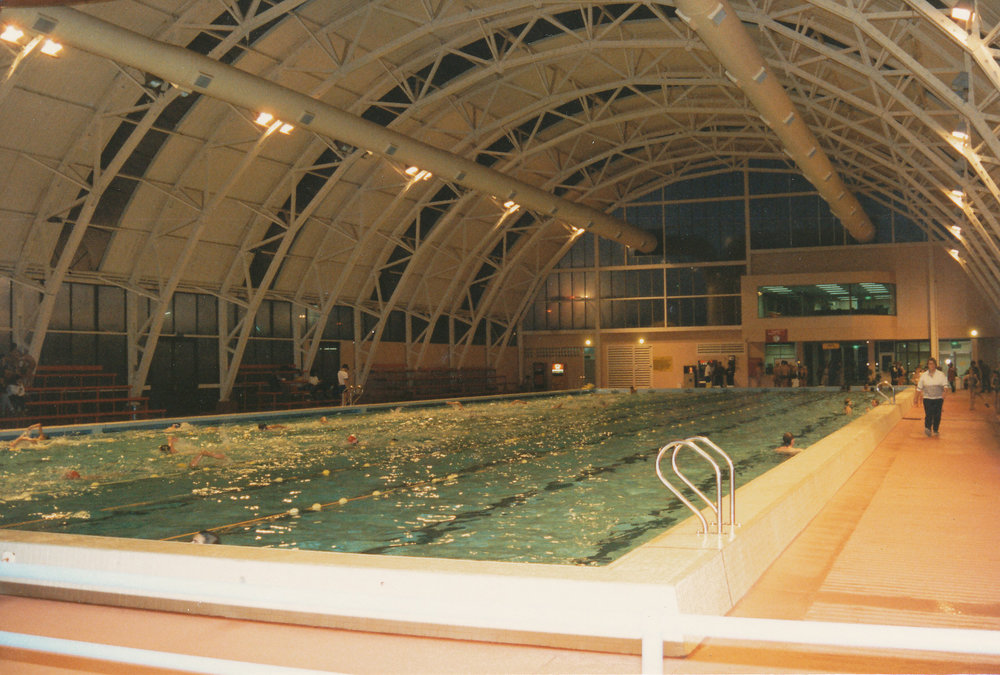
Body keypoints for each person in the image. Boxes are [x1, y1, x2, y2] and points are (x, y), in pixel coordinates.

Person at [915, 357, 948, 436]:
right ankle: (928, 428)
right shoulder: (923, 376)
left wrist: (944, 392)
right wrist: (915, 398)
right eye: (930, 364)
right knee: (928, 414)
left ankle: (936, 429)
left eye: (933, 364)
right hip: (927, 398)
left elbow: (945, 386)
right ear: (928, 365)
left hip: (938, 398)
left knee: (937, 415)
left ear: (935, 365)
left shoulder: (941, 375)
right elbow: (919, 388)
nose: (931, 365)